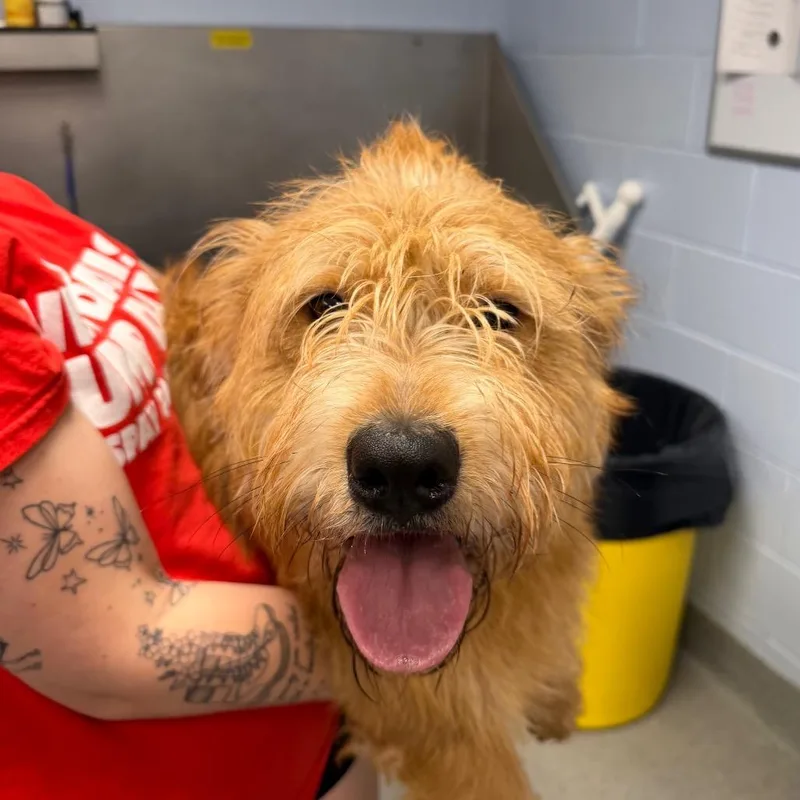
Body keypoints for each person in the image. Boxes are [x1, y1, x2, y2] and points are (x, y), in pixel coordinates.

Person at [0, 173, 378, 799]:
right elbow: (114, 646)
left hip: (314, 732)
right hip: (162, 771)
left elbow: (182, 320)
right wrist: (452, 641)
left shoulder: (13, 198)